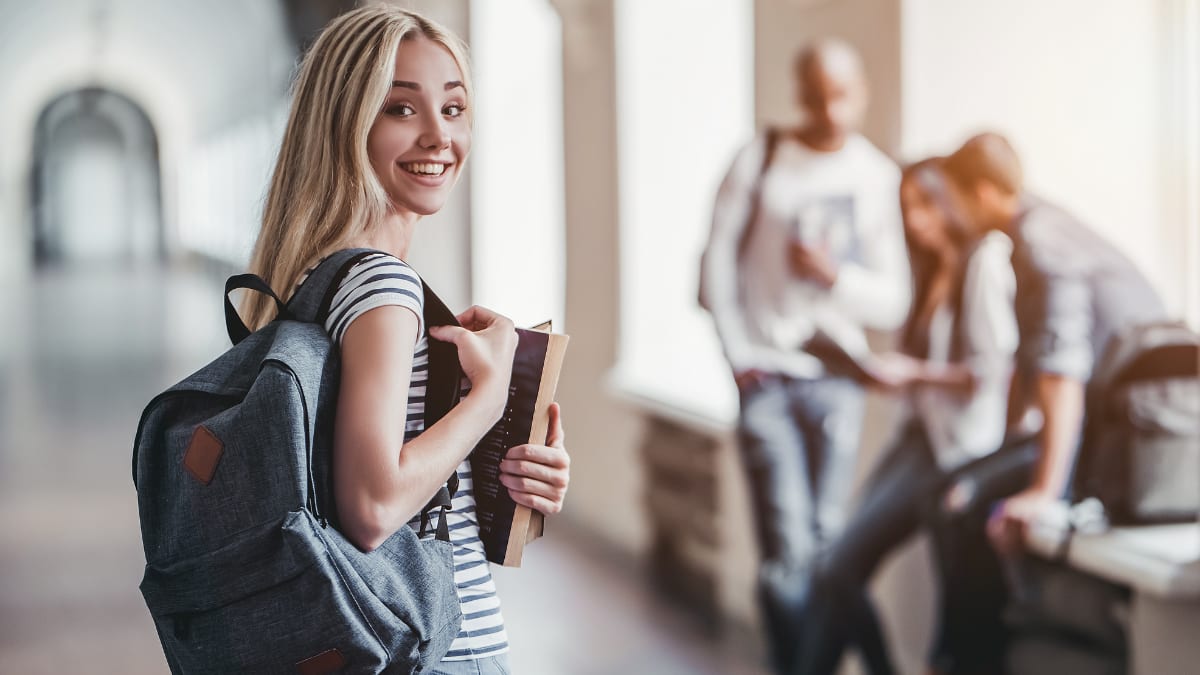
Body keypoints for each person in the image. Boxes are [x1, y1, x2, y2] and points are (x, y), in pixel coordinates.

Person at [241, 7, 570, 673]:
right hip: (438, 650)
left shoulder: (312, 278)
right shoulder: (382, 289)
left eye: (453, 109)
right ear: (347, 121)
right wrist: (489, 396)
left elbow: (353, 486)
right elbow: (372, 506)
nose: (438, 136)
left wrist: (510, 475)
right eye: (401, 109)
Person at [699, 38, 910, 674]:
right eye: (815, 94)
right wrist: (740, 358)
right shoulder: (761, 158)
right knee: (786, 553)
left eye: (841, 94)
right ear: (800, 91)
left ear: (861, 93)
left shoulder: (876, 177)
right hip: (767, 376)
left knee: (828, 545)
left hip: (836, 382)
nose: (828, 108)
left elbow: (893, 301)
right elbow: (715, 266)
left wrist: (833, 278)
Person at [795, 158, 1032, 675]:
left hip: (958, 451)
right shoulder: (926, 274)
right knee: (835, 568)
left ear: (951, 199)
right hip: (917, 437)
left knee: (855, 572)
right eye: (907, 210)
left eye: (925, 205)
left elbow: (994, 372)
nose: (917, 221)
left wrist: (917, 374)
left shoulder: (984, 260)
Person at [938, 133, 1166, 557]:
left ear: (983, 194)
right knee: (955, 490)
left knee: (965, 505)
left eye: (953, 200)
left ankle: (987, 623)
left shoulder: (1044, 242)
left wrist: (1045, 491)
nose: (950, 214)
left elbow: (1062, 370)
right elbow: (1035, 366)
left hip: (1139, 427)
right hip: (1115, 419)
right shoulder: (1037, 230)